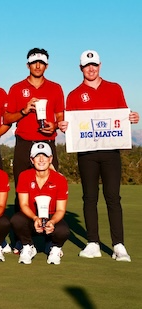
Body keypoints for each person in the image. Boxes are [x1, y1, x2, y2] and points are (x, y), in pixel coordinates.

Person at [59, 50, 139, 262]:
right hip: (87, 154)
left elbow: (122, 115)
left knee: (113, 197)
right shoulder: (74, 94)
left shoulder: (114, 88)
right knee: (90, 197)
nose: (91, 69)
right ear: (81, 68)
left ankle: (118, 245)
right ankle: (92, 242)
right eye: (87, 66)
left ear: (100, 65)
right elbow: (71, 126)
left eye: (94, 65)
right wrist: (64, 126)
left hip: (111, 153)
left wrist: (131, 117)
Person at [4, 48, 64, 212]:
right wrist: (23, 111)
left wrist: (55, 125)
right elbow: (7, 118)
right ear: (27, 65)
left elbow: (60, 116)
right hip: (24, 144)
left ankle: (51, 235)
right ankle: (21, 236)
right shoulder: (17, 88)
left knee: (51, 188)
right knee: (21, 190)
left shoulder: (55, 88)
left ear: (47, 66)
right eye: (34, 63)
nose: (37, 66)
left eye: (41, 63)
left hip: (48, 142)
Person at [10, 142, 70, 265]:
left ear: (51, 159)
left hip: (51, 216)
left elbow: (60, 210)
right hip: (32, 217)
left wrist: (52, 222)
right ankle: (28, 246)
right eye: (37, 156)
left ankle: (55, 248)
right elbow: (24, 205)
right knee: (17, 220)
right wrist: (35, 218)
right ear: (32, 159)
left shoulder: (60, 179)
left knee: (63, 231)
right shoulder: (24, 176)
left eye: (45, 156)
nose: (41, 159)